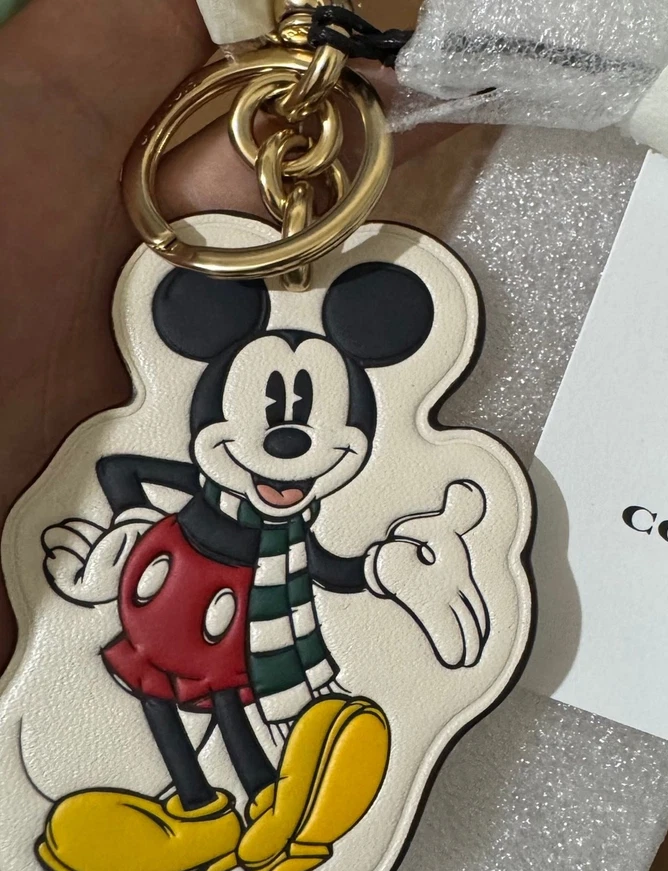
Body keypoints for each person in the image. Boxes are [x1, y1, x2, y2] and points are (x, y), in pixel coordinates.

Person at [0, 0, 457, 669]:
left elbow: (323, 566)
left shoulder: (289, 525)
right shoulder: (196, 498)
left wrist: (378, 570)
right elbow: (121, 469)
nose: (287, 439)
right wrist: (128, 527)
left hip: (266, 665)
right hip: (166, 632)